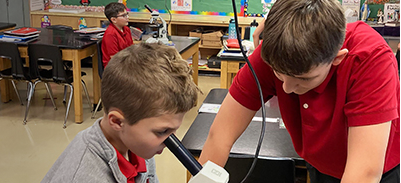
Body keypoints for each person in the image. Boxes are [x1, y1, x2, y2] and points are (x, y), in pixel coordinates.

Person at [199, 0, 400, 183]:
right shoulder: (273, 53)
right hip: (320, 163)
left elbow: (364, 173)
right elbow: (220, 137)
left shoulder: (370, 60)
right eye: (278, 73)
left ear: (337, 59)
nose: (286, 88)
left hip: (378, 171)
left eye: (303, 79)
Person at [41, 43, 200, 183]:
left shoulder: (135, 145)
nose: (171, 141)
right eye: (163, 131)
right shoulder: (84, 176)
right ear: (117, 122)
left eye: (174, 130)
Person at [102, 2, 133, 67]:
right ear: (114, 20)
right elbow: (114, 59)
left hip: (126, 62)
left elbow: (131, 49)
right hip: (115, 67)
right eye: (123, 15)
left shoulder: (126, 29)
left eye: (127, 14)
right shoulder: (110, 34)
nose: (127, 17)